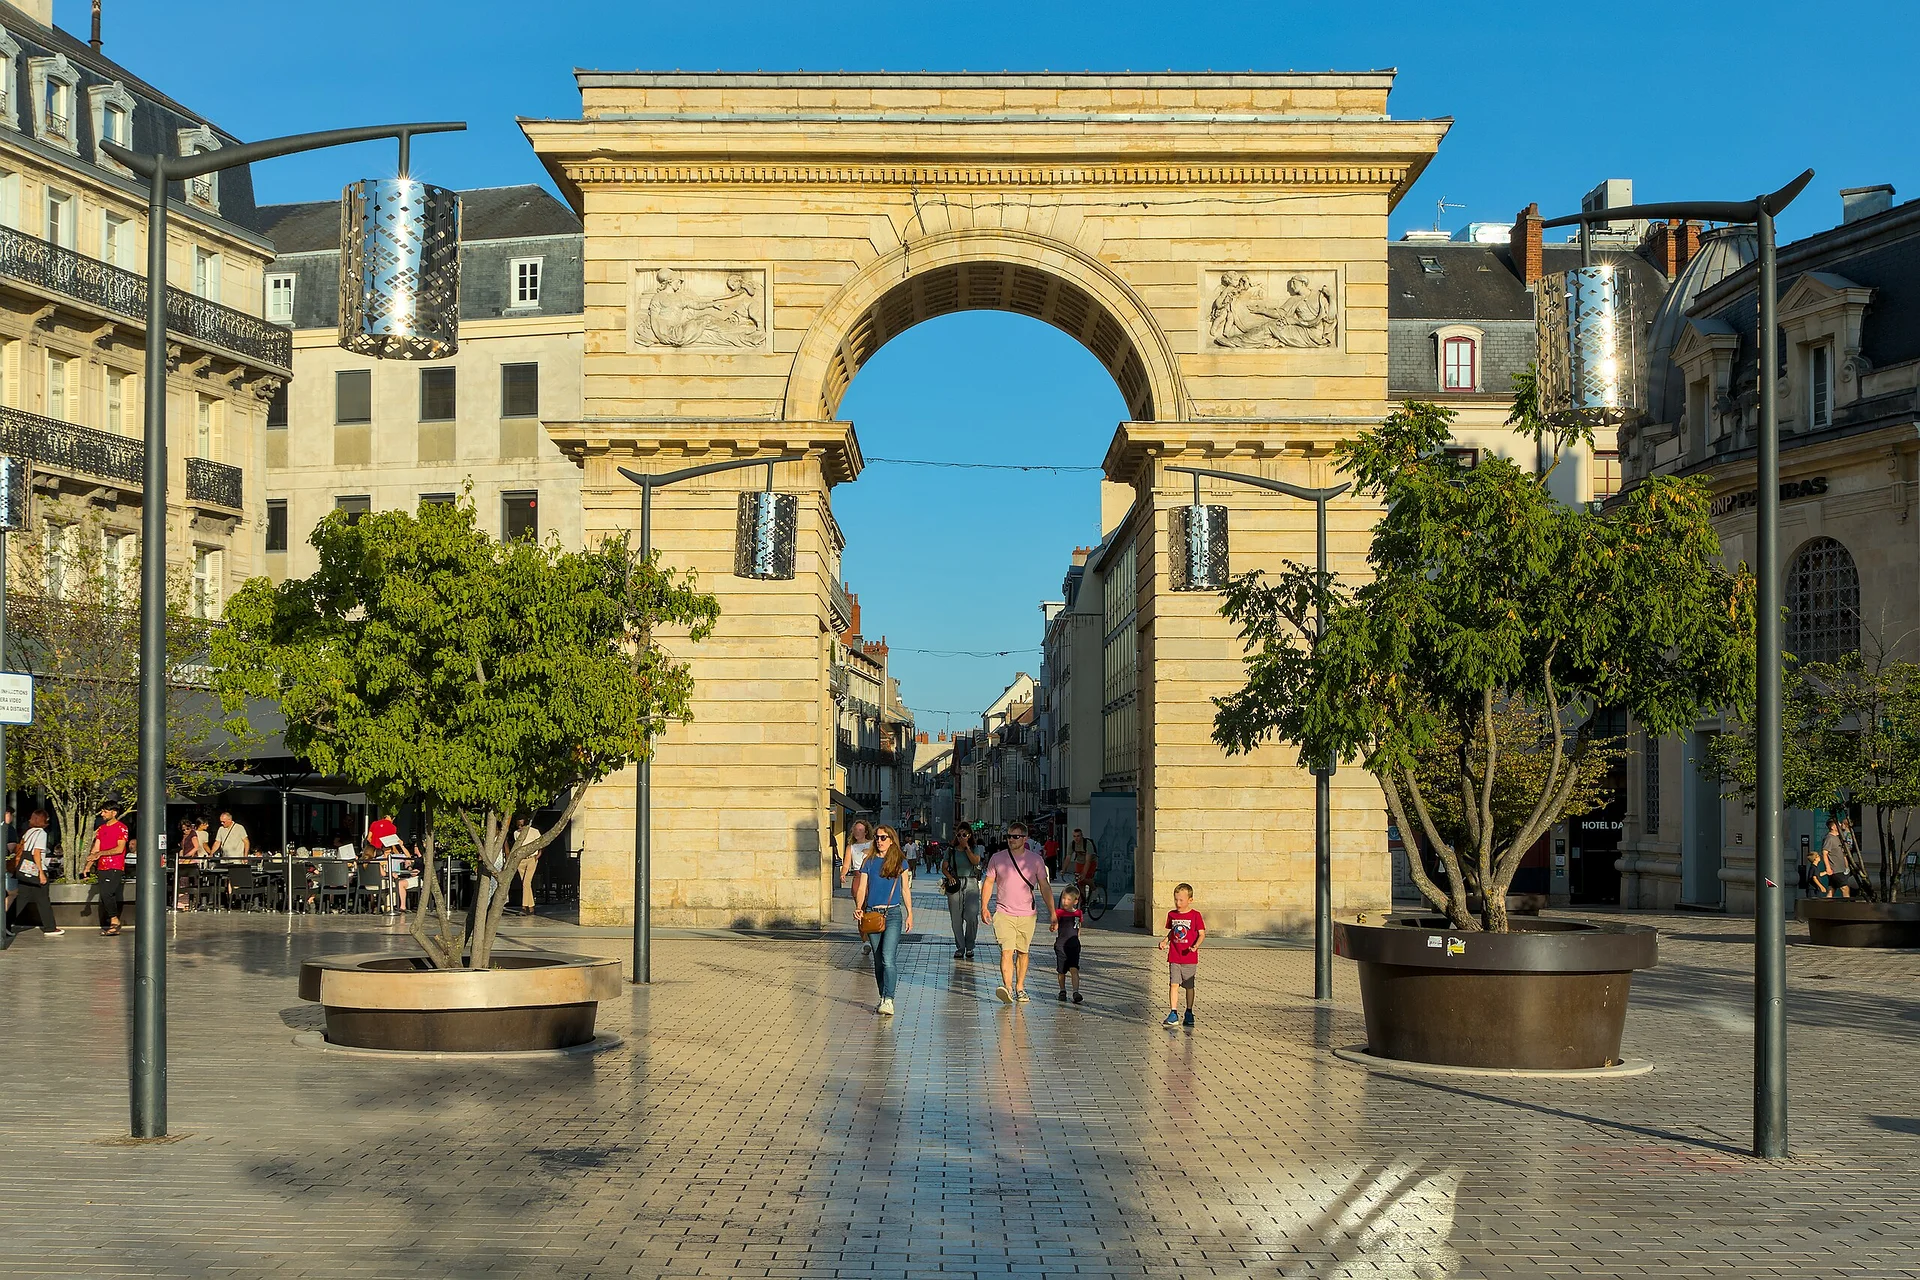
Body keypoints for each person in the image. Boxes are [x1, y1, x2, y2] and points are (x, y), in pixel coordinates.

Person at [980, 820, 1052, 1004]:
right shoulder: (997, 858)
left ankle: (1020, 987)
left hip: (1027, 913)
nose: (1011, 840)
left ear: (1024, 838)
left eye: (1015, 836)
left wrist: (1053, 912)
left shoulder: (1035, 860)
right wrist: (984, 907)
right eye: (1009, 836)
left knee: (1023, 952)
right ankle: (1008, 988)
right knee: (1006, 951)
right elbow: (988, 882)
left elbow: (1044, 886)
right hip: (1004, 912)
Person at [853, 825, 913, 1015]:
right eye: (877, 837)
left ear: (891, 840)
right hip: (872, 914)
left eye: (883, 838)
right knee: (878, 960)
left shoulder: (900, 862)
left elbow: (905, 889)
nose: (879, 841)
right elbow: (862, 887)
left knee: (888, 957)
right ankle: (883, 996)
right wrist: (859, 907)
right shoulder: (868, 862)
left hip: (893, 914)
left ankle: (889, 999)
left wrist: (910, 913)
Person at [8, 808, 61, 938]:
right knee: (43, 900)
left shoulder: (28, 832)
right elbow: (36, 853)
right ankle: (50, 928)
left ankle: (5, 925)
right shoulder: (41, 833)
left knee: (21, 899)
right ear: (44, 820)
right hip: (35, 871)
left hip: (24, 870)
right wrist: (41, 873)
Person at [1159, 883, 1205, 1027]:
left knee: (1189, 986)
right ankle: (1173, 1012)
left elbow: (1201, 934)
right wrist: (1165, 941)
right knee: (1173, 984)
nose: (1178, 903)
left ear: (1190, 900)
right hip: (1174, 956)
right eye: (1176, 900)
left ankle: (1189, 1012)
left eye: (1181, 900)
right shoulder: (1172, 915)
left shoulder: (1195, 915)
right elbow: (1173, 931)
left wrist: (1196, 946)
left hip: (1189, 958)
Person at [83, 801, 130, 936]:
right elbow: (96, 848)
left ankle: (115, 920)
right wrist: (88, 866)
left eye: (105, 811)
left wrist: (100, 853)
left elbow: (120, 848)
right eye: (102, 811)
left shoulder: (122, 828)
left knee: (106, 893)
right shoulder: (102, 829)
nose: (102, 814)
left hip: (115, 866)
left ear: (114, 813)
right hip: (102, 867)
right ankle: (112, 923)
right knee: (105, 895)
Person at [943, 830, 983, 960]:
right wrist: (949, 876)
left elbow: (975, 862)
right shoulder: (951, 850)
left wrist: (966, 848)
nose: (961, 837)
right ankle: (960, 947)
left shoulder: (974, 849)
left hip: (971, 882)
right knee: (956, 918)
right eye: (959, 835)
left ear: (969, 836)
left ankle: (970, 945)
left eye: (964, 835)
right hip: (955, 883)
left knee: (971, 916)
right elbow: (944, 867)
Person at [1053, 885, 1083, 1003]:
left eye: (1069, 899)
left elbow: (1079, 926)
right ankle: (1062, 990)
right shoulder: (1059, 913)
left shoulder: (1078, 913)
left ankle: (1076, 992)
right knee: (1061, 970)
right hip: (1061, 945)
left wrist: (1077, 938)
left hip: (1074, 945)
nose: (1065, 901)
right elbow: (1054, 925)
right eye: (1064, 898)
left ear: (1075, 901)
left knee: (1074, 968)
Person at [510, 816, 543, 915]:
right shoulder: (516, 834)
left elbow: (540, 843)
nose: (520, 827)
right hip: (521, 860)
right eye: (518, 825)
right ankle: (531, 907)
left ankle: (524, 907)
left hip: (531, 858)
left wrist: (538, 854)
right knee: (525, 884)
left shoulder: (534, 831)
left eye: (522, 825)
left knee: (526, 883)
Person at [1812, 819, 1849, 899]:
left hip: (1840, 869)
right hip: (1835, 869)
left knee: (1831, 890)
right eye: (1838, 824)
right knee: (1845, 888)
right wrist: (1828, 868)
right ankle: (1847, 906)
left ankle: (1826, 907)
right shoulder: (1829, 838)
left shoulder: (1838, 838)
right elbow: (1825, 853)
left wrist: (1846, 865)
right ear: (1833, 827)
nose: (1840, 825)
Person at [1068, 829, 1099, 902]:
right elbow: (1068, 857)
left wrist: (1084, 874)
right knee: (1080, 882)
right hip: (1080, 862)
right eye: (1074, 836)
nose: (1076, 838)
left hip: (1091, 862)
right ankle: (1083, 902)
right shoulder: (1072, 844)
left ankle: (1094, 889)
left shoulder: (1087, 844)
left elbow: (1088, 861)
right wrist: (1063, 870)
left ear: (1082, 836)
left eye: (1078, 836)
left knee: (1085, 878)